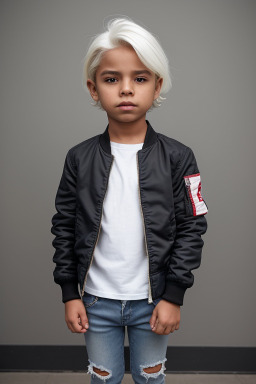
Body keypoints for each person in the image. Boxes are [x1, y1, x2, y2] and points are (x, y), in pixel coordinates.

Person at [51, 16, 208, 384]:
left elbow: (193, 225)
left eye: (139, 78)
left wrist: (174, 295)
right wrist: (68, 293)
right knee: (103, 379)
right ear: (93, 89)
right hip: (95, 301)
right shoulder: (78, 157)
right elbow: (63, 224)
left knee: (149, 379)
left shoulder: (179, 157)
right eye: (111, 79)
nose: (125, 89)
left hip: (153, 301)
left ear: (157, 87)